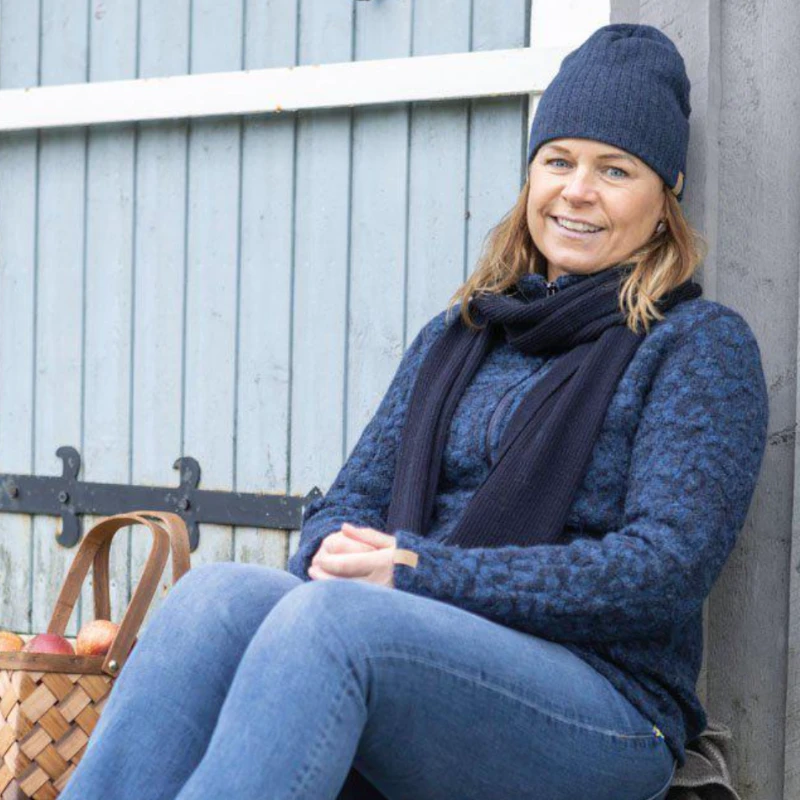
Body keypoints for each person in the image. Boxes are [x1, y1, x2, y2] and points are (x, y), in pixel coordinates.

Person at [59, 23, 768, 800]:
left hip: (607, 707)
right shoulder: (462, 332)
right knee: (212, 601)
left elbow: (662, 571)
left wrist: (423, 573)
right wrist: (340, 552)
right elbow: (350, 500)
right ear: (531, 176)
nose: (577, 190)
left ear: (665, 198)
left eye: (615, 169)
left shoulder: (697, 345)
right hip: (421, 644)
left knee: (330, 623)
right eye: (558, 160)